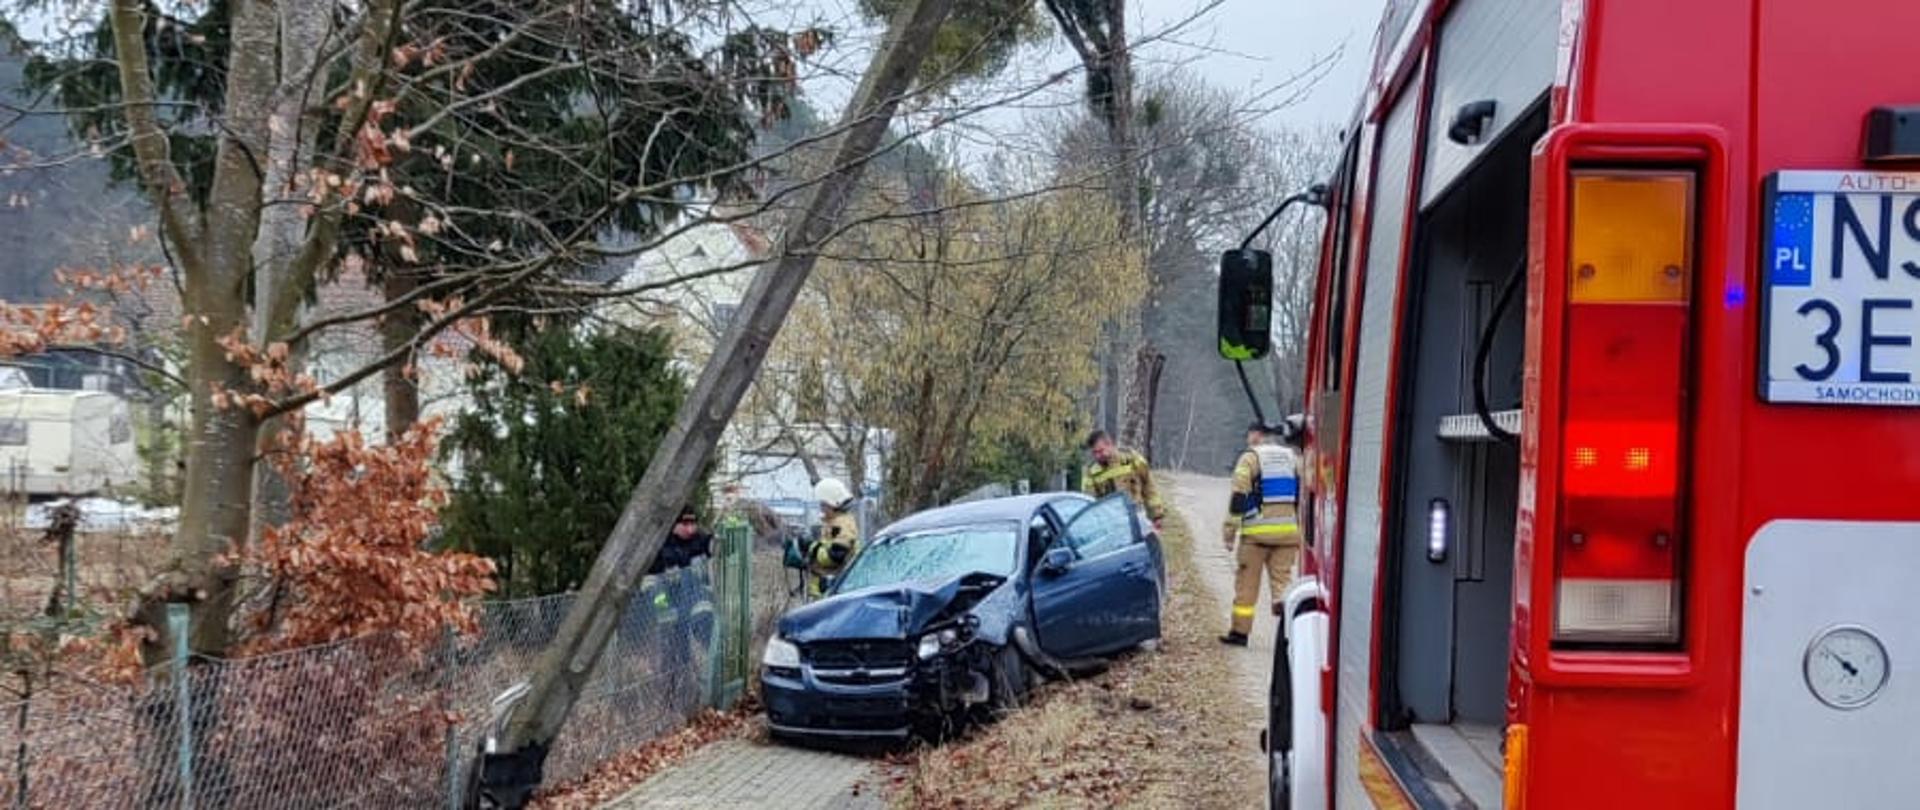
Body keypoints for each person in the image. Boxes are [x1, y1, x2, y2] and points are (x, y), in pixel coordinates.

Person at [1220, 421, 1302, 647]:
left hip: (1256, 536)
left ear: (1256, 435)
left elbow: (1239, 496)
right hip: (1287, 534)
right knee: (1283, 586)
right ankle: (1289, 636)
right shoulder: (1292, 457)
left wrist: (1229, 532)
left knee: (1246, 587)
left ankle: (1239, 633)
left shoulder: (1250, 458)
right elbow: (1304, 492)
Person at [1080, 429, 1167, 526]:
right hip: (1111, 523)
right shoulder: (1091, 472)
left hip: (1137, 517)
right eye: (1094, 453)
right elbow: (1089, 502)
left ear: (1110, 444)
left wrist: (1156, 515)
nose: (1098, 456)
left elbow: (1149, 487)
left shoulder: (1132, 459)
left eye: (1100, 451)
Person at [806, 478, 861, 597]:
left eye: (823, 504)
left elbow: (835, 556)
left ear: (832, 503)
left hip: (833, 588)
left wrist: (812, 549)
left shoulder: (842, 525)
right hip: (825, 588)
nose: (821, 507)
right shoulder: (834, 522)